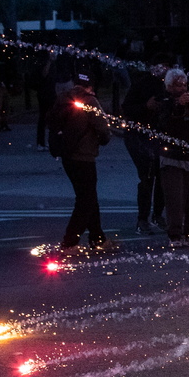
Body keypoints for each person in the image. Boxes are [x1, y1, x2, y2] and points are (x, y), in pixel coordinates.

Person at [47, 72, 113, 251]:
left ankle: (98, 238)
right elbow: (103, 129)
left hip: (67, 155)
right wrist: (104, 137)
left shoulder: (63, 99)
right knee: (86, 200)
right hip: (84, 156)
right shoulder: (89, 101)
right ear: (90, 87)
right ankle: (70, 242)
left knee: (88, 197)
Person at [156, 68, 189, 247]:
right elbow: (164, 126)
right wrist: (178, 105)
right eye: (178, 85)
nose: (182, 88)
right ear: (169, 86)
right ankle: (175, 235)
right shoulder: (163, 101)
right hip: (172, 156)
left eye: (184, 84)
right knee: (175, 199)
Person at [122, 54, 171, 234]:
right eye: (161, 66)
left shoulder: (169, 86)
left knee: (162, 175)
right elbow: (127, 108)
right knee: (147, 175)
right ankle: (143, 218)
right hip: (139, 135)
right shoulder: (142, 84)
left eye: (166, 66)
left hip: (159, 135)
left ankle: (157, 215)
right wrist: (145, 107)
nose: (163, 70)